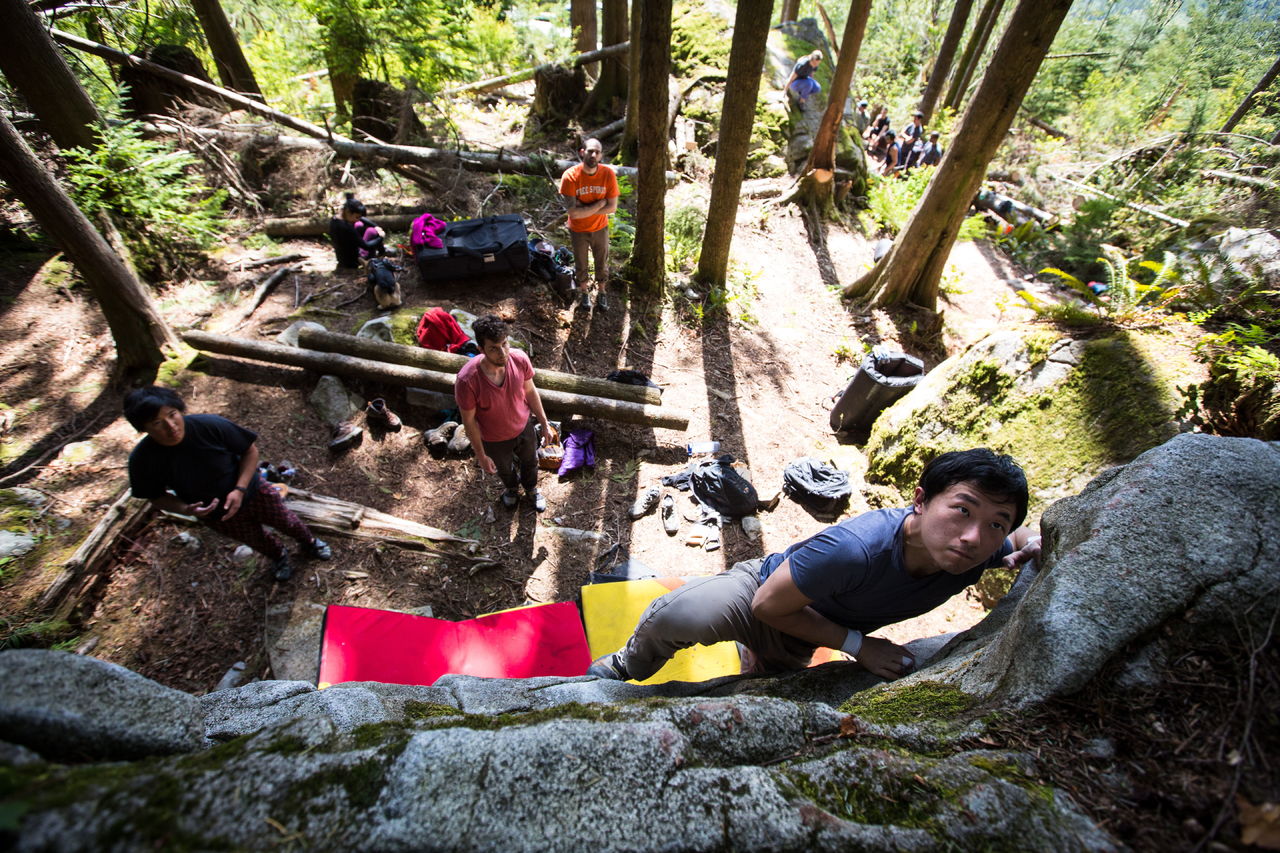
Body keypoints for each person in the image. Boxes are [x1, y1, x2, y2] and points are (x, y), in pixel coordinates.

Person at [588, 449, 1041, 682]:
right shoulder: (855, 549)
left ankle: (758, 662)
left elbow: (1015, 538)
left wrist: (1030, 540)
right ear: (921, 501)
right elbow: (768, 606)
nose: (973, 536)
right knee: (678, 615)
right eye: (963, 509)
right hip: (764, 594)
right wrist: (859, 646)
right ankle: (625, 666)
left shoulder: (973, 552)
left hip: (812, 628)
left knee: (767, 684)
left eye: (995, 524)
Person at [124, 386, 332, 582]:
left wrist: (239, 489)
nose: (171, 426)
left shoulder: (208, 425)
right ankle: (279, 556)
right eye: (157, 423)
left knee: (287, 521)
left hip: (254, 491)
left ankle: (310, 543)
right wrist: (186, 509)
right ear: (144, 428)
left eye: (172, 414)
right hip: (217, 514)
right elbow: (156, 496)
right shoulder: (142, 460)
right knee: (255, 538)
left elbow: (250, 451)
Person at [455, 315, 559, 512]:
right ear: (481, 350)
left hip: (523, 426)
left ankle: (531, 489)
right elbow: (468, 422)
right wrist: (481, 455)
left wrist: (544, 423)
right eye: (494, 348)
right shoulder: (467, 380)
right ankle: (511, 489)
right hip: (494, 439)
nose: (502, 353)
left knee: (530, 461)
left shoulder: (519, 359)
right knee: (503, 468)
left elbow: (530, 391)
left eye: (504, 344)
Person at [559, 138, 620, 312]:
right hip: (578, 229)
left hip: (600, 228)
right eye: (590, 151)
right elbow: (573, 212)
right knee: (581, 262)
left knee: (602, 261)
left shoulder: (608, 174)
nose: (593, 155)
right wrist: (600, 204)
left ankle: (602, 291)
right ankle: (584, 292)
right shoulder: (570, 176)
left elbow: (612, 207)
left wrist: (584, 208)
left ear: (601, 155)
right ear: (582, 152)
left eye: (597, 152)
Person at [329, 193, 385, 270]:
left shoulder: (335, 219)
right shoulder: (347, 228)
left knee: (360, 224)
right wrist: (381, 237)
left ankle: (381, 253)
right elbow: (366, 246)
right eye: (357, 217)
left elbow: (361, 218)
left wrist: (376, 226)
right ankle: (380, 255)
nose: (358, 219)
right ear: (348, 212)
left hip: (343, 257)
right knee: (371, 231)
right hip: (354, 260)